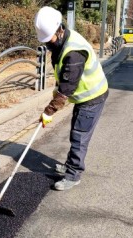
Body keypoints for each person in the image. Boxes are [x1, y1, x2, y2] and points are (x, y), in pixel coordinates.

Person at [34, 6, 109, 191]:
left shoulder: (74, 52)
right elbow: (63, 79)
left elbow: (67, 87)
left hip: (92, 96)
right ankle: (70, 165)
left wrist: (49, 111)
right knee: (76, 131)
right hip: (84, 96)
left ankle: (73, 174)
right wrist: (55, 95)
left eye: (49, 40)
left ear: (59, 30)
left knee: (79, 136)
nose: (48, 44)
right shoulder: (63, 41)